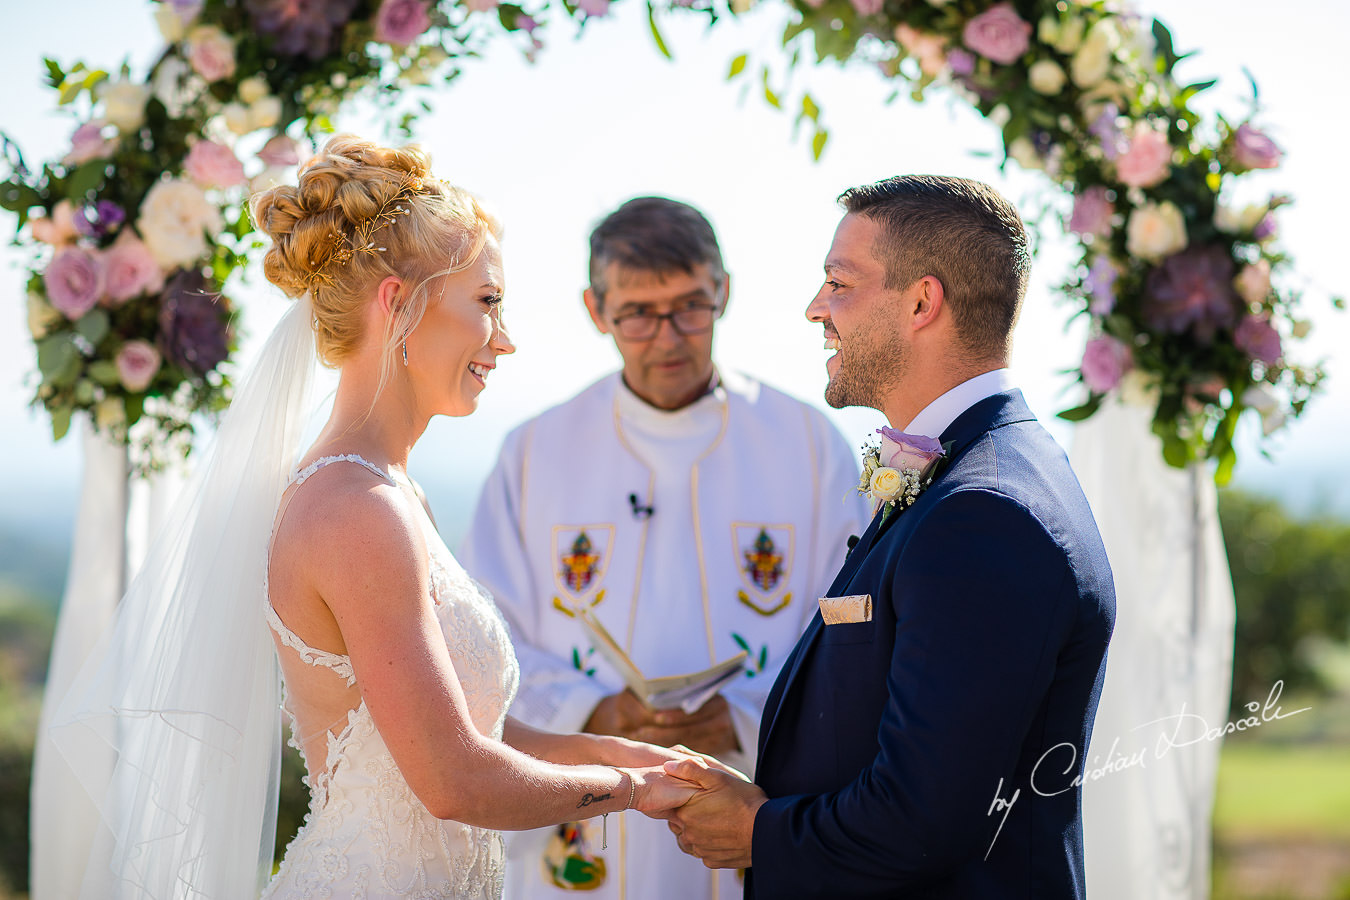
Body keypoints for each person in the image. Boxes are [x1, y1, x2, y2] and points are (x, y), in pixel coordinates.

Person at [49, 136, 701, 900]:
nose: (506, 338)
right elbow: (454, 779)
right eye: (487, 302)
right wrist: (633, 797)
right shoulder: (354, 513)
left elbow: (462, 729)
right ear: (398, 303)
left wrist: (627, 757)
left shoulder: (392, 493)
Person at [662, 175, 1117, 898]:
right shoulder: (973, 473)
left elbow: (925, 816)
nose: (816, 308)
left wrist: (758, 830)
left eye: (838, 282)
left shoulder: (987, 513)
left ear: (921, 303)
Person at [460, 197, 868, 899]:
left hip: (750, 792)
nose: (668, 337)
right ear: (596, 310)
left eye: (690, 307)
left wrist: (745, 711)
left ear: (724, 293)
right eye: (638, 314)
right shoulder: (537, 452)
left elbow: (850, 632)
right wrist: (595, 712)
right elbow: (485, 636)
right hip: (584, 813)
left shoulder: (806, 446)